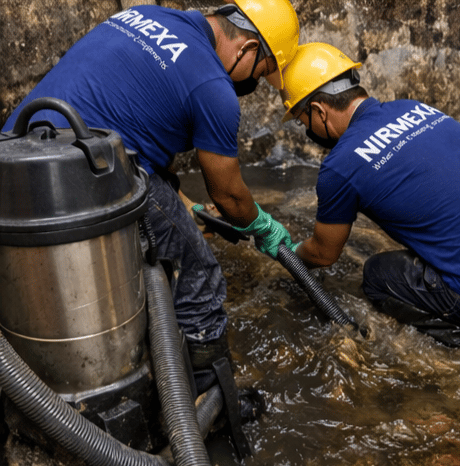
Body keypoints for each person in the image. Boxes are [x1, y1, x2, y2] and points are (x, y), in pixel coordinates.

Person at [2, 1, 299, 392]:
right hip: (85, 174)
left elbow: (143, 130)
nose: (254, 84)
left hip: (15, 156)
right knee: (201, 276)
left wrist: (186, 208)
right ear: (247, 48)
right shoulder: (213, 87)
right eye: (261, 72)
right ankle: (210, 401)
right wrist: (261, 225)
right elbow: (229, 195)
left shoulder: (147, 15)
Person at [279, 42, 460, 355]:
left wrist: (284, 250)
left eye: (302, 120)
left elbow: (322, 254)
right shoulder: (413, 107)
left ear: (319, 111)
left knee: (378, 276)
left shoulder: (341, 165)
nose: (306, 128)